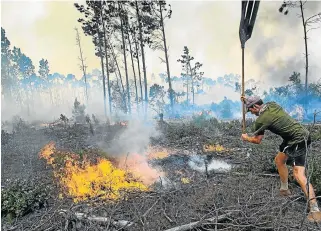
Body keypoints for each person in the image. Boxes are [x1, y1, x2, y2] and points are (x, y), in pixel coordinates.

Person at [240, 95, 321, 222]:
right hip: (294, 137)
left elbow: (257, 140)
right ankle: (284, 190)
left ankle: (315, 211)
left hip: (298, 140)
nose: (251, 112)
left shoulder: (262, 120)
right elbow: (257, 104)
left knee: (299, 174)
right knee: (279, 160)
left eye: (250, 109)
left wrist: (246, 138)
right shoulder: (272, 105)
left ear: (255, 106)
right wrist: (246, 100)